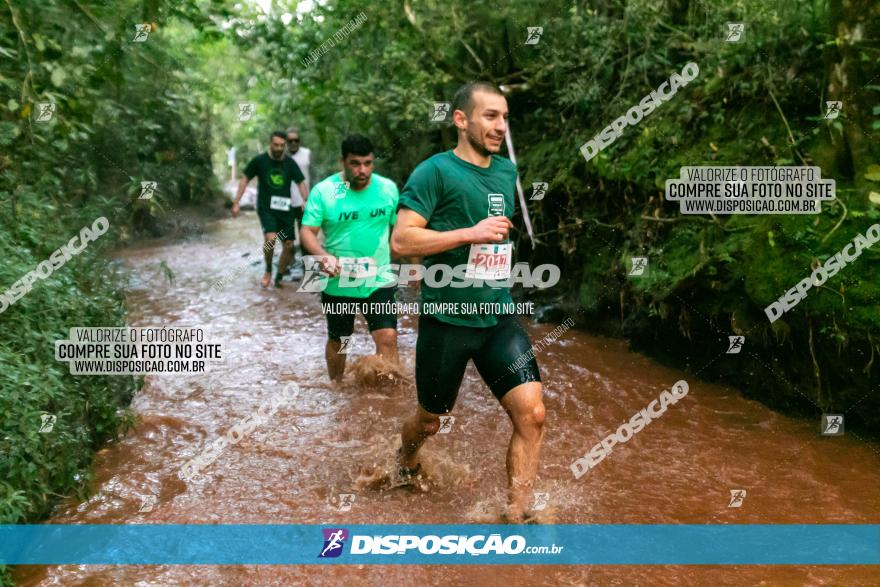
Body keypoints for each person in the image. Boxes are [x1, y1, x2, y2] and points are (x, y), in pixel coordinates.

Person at [391, 82, 545, 523]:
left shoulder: (506, 172)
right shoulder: (433, 172)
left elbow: (495, 225)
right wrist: (469, 233)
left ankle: (516, 517)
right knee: (429, 421)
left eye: (504, 117)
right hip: (447, 321)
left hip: (497, 315)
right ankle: (405, 460)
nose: (500, 126)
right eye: (491, 116)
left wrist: (495, 237)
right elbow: (402, 240)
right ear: (461, 120)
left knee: (532, 415)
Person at [300, 134, 400, 382]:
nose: (362, 170)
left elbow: (400, 230)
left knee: (387, 336)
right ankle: (336, 384)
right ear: (342, 162)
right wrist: (322, 257)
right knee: (340, 339)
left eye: (368, 163)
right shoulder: (325, 191)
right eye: (355, 163)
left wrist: (416, 266)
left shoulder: (387, 189)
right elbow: (307, 232)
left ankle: (387, 395)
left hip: (378, 278)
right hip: (338, 280)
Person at [232, 131, 308, 288]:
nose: (279, 148)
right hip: (266, 208)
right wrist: (237, 202)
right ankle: (267, 270)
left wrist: (306, 200)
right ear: (270, 144)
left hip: (285, 209)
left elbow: (301, 182)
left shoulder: (289, 163)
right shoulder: (260, 161)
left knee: (289, 246)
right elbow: (245, 179)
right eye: (276, 145)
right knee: (271, 239)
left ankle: (279, 276)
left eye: (282, 145)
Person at [286, 127, 314, 273]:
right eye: (289, 140)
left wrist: (313, 199)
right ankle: (288, 266)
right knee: (287, 239)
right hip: (286, 204)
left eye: (296, 140)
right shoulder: (281, 156)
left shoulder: (307, 153)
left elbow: (313, 176)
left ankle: (306, 269)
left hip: (305, 202)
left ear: (299, 141)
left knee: (305, 237)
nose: (293, 143)